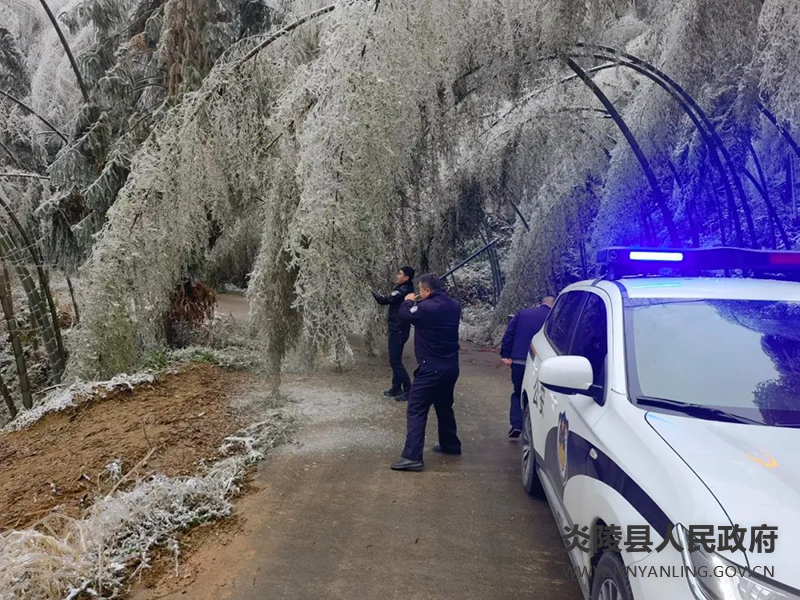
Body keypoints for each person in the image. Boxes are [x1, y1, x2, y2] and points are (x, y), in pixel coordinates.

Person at [390, 274, 462, 472]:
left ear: (428, 291)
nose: (419, 295)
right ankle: (450, 445)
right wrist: (419, 300)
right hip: (450, 367)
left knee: (416, 408)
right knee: (444, 405)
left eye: (421, 291)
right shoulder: (454, 306)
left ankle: (412, 457)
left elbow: (405, 315)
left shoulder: (426, 308)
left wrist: (408, 301)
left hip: (430, 368)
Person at [500, 295, 555, 439]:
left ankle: (516, 424)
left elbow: (509, 333)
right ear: (553, 304)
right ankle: (536, 431)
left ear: (541, 303)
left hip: (520, 361)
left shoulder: (523, 313)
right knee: (538, 397)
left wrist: (506, 354)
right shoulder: (554, 317)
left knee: (518, 393)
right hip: (543, 364)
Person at [372, 266, 416, 400]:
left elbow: (383, 300)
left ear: (406, 278)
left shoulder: (402, 291)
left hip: (398, 329)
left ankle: (408, 390)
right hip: (398, 328)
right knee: (395, 359)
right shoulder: (405, 289)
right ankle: (396, 387)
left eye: (399, 274)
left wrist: (371, 290)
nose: (397, 276)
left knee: (395, 361)